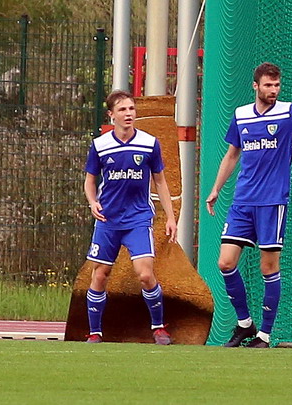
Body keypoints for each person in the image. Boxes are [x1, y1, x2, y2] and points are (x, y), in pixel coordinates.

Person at [206, 62, 292, 348]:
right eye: (268, 85)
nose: (273, 90)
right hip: (242, 201)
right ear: (256, 86)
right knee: (225, 262)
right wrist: (216, 188)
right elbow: (232, 154)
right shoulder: (241, 115)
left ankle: (264, 335)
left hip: (272, 202)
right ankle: (244, 324)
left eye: (276, 85)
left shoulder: (290, 113)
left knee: (268, 268)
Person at [83, 90, 178, 344]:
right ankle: (95, 332)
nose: (128, 114)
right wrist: (93, 202)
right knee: (100, 274)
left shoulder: (149, 143)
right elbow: (90, 181)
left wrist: (170, 217)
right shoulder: (100, 145)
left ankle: (158, 328)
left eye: (131, 109)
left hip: (138, 219)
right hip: (108, 220)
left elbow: (160, 181)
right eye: (122, 110)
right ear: (111, 115)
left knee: (145, 274)